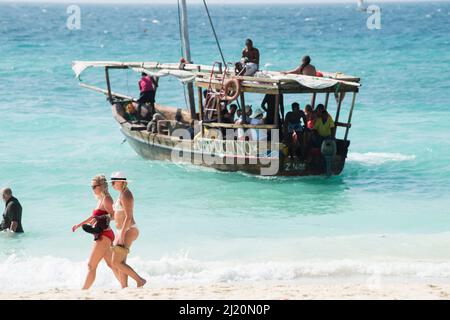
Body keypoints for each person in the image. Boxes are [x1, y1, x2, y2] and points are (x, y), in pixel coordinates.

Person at [72, 175, 119, 290]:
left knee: (91, 265)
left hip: (104, 234)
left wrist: (100, 218)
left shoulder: (107, 199)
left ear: (101, 186)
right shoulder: (100, 199)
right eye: (91, 186)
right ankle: (125, 286)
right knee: (112, 264)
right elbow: (93, 216)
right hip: (101, 234)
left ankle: (84, 291)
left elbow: (115, 215)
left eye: (94, 186)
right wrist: (79, 224)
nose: (92, 189)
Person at [110, 172, 146, 288]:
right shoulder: (122, 194)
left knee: (115, 262)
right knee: (120, 262)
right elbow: (118, 214)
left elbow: (128, 217)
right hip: (122, 231)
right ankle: (124, 287)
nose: (112, 184)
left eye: (113, 182)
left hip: (128, 230)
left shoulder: (126, 195)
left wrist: (121, 235)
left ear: (121, 182)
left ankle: (140, 280)